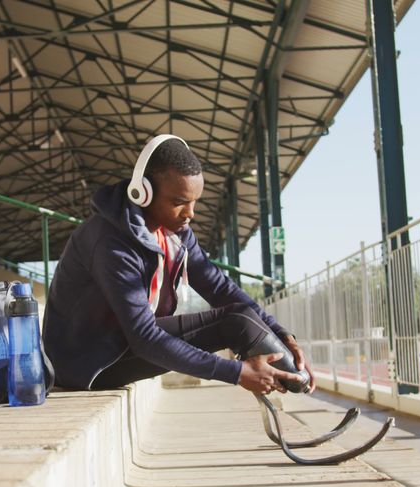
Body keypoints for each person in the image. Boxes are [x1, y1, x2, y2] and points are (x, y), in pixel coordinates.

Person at [42, 134, 314, 396]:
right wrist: (236, 372)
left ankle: (297, 378)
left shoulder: (175, 233)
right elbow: (144, 337)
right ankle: (295, 384)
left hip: (124, 345)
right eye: (179, 202)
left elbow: (221, 289)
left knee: (240, 316)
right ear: (143, 192)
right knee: (235, 322)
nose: (190, 213)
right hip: (87, 364)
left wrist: (283, 335)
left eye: (195, 201)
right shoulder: (110, 241)